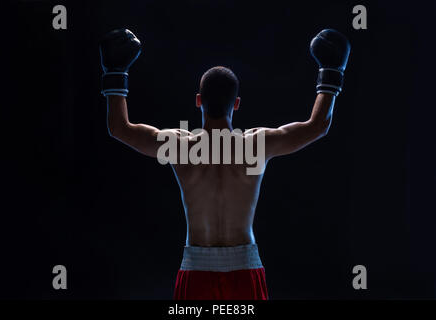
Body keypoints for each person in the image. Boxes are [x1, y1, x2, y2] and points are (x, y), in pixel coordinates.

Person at [99, 28, 350, 300]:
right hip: (245, 267)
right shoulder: (256, 145)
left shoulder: (179, 146)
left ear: (198, 101)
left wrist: (116, 71)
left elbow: (119, 128)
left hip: (196, 268)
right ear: (237, 104)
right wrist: (331, 69)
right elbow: (317, 126)